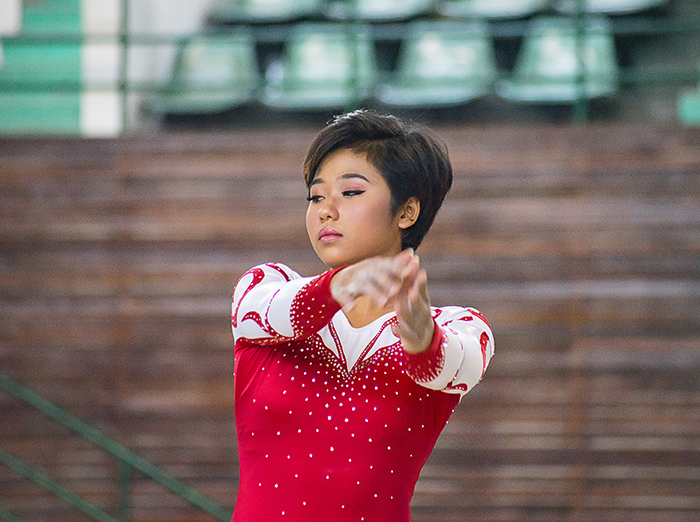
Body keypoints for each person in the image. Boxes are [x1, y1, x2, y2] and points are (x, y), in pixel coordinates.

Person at [230, 110, 494, 522]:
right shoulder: (266, 287)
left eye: (350, 192)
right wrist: (343, 285)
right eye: (316, 196)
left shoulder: (461, 328)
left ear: (406, 212)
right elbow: (271, 311)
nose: (325, 210)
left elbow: (443, 364)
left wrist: (419, 331)